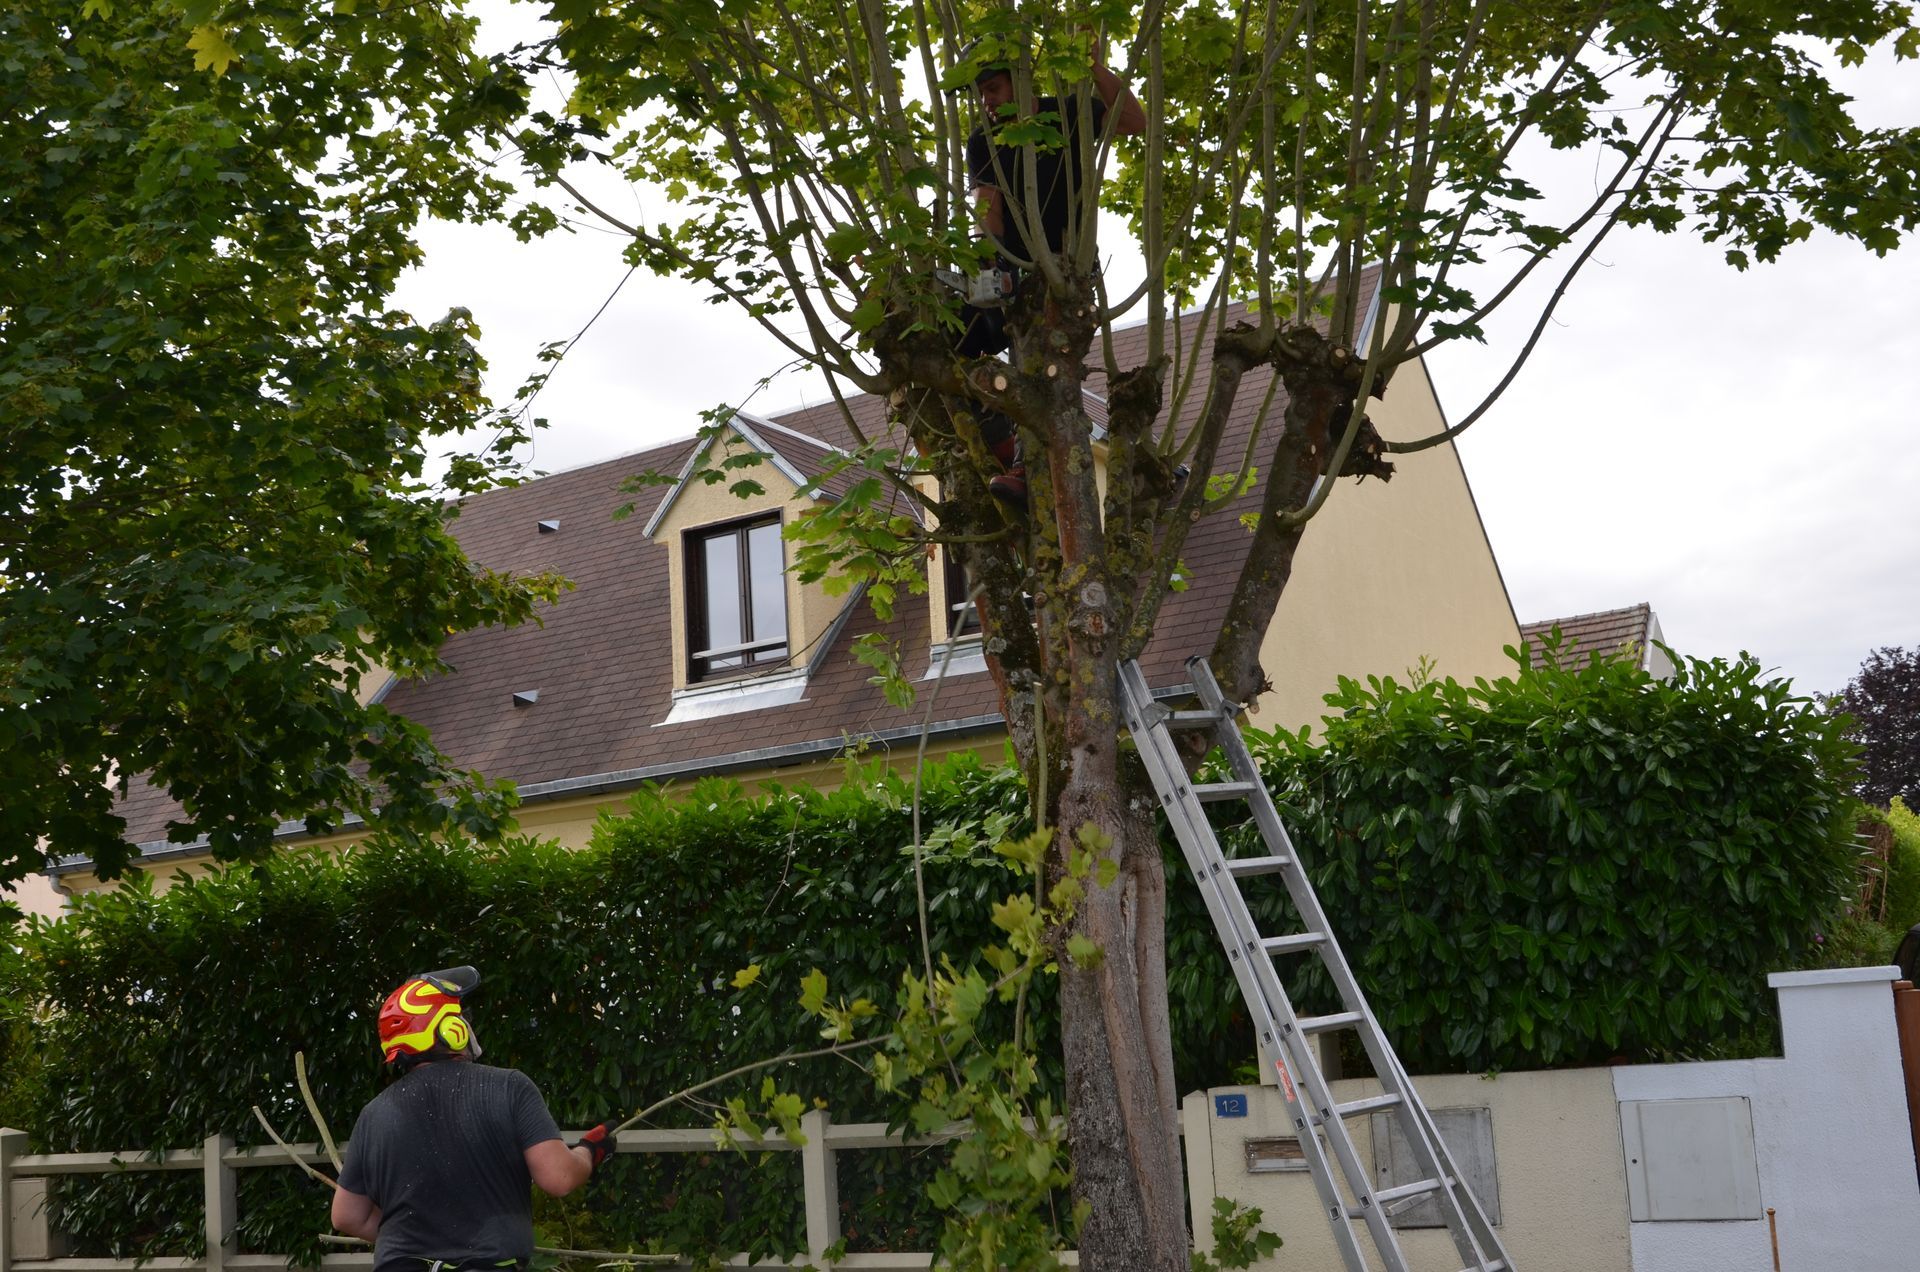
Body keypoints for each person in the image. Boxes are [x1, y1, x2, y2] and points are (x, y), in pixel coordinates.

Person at [956, 40, 1145, 504]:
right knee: (956, 340)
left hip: (1065, 267)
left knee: (1041, 367)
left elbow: (1133, 121)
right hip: (1014, 266)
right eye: (980, 94)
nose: (987, 101)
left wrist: (1095, 66)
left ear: (1020, 81)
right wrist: (986, 265)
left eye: (994, 88)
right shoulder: (983, 140)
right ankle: (996, 446)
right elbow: (988, 209)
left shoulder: (1068, 113)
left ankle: (1025, 466)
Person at [330, 967, 618, 1272]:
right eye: (462, 1017)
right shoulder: (508, 1087)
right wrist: (590, 1150)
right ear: (451, 1030)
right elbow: (559, 1178)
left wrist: (413, 1244)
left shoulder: (373, 1114)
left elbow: (347, 1216)